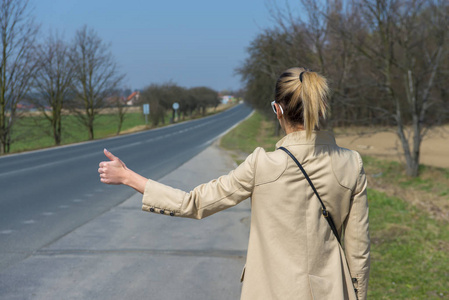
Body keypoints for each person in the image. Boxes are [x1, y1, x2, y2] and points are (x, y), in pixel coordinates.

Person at [98, 67, 370, 300]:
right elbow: (359, 253)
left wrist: (127, 177)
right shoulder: (351, 164)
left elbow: (193, 203)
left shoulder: (262, 165)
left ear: (277, 109)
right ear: (319, 109)